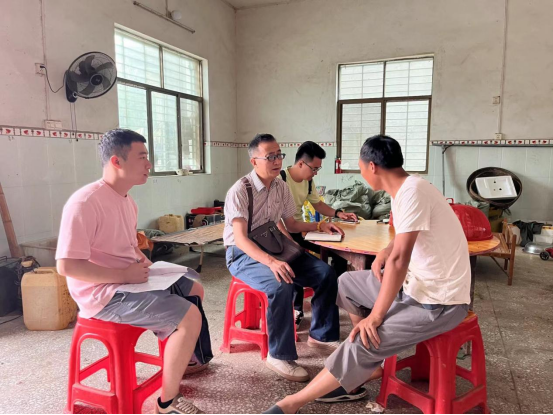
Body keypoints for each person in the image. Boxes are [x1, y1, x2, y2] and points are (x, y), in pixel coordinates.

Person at [263, 135, 471, 414]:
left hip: (438, 302)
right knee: (346, 282)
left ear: (372, 166)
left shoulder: (413, 192)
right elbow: (404, 242)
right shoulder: (407, 189)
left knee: (362, 340)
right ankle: (366, 364)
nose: (362, 173)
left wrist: (376, 316)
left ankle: (292, 404)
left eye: (361, 168)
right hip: (416, 286)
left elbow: (399, 261)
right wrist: (386, 250)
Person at [56, 129, 210, 415]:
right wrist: (124, 276)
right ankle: (167, 403)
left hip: (127, 281)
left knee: (193, 286)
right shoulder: (85, 203)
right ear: (117, 161)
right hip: (102, 294)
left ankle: (182, 359)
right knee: (188, 316)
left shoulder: (127, 200)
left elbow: (128, 247)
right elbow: (67, 266)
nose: (149, 164)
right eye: (142, 157)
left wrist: (148, 265)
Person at [224, 133, 344, 383]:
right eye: (270, 157)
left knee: (325, 273)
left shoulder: (281, 187)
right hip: (242, 254)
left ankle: (321, 335)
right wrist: (271, 262)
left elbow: (291, 224)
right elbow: (241, 239)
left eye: (279, 155)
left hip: (273, 245)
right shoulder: (240, 190)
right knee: (281, 284)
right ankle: (278, 355)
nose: (277, 161)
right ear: (254, 161)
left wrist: (320, 226)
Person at [280, 141, 357, 326]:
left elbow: (318, 204)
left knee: (338, 251)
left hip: (301, 229)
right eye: (314, 168)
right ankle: (296, 308)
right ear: (301, 163)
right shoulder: (281, 180)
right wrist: (290, 241)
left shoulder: (307, 182)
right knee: (295, 258)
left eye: (318, 169)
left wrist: (338, 213)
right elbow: (277, 221)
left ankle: (334, 295)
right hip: (283, 233)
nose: (315, 173)